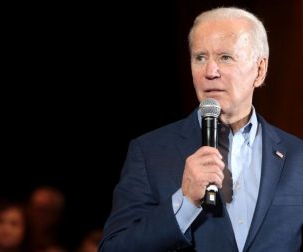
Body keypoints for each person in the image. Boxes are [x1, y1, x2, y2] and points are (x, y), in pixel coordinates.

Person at [98, 7, 303, 252]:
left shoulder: (298, 156)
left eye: (225, 57)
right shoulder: (149, 152)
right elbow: (115, 248)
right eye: (200, 58)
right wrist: (184, 203)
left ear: (259, 70)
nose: (210, 72)